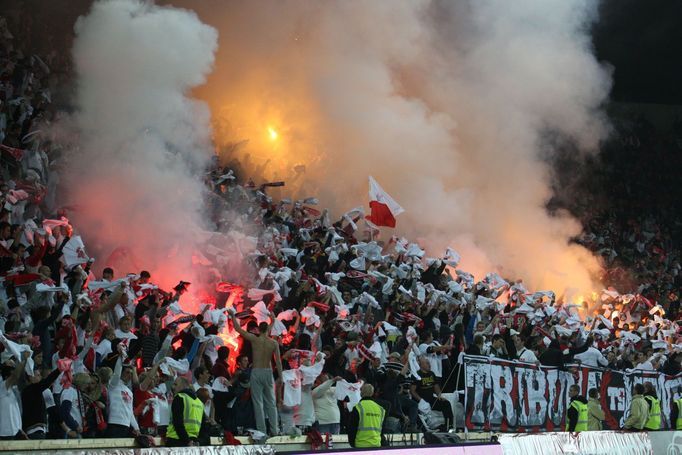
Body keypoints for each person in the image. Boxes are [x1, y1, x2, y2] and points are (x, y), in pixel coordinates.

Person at [229, 310, 282, 436]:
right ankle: (275, 430)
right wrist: (281, 376)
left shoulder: (254, 339)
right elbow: (278, 362)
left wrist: (232, 316)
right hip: (268, 372)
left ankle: (262, 431)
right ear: (268, 330)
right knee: (271, 402)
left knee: (258, 402)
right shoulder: (273, 343)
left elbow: (238, 329)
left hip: (256, 372)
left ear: (258, 329)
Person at [410, 356, 454, 430]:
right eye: (427, 363)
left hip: (430, 399)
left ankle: (449, 425)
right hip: (421, 400)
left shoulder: (432, 374)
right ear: (421, 365)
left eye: (429, 363)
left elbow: (436, 387)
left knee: (446, 403)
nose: (429, 365)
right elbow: (412, 390)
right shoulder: (417, 375)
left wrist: (439, 395)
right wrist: (420, 400)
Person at [166, 377, 205, 447]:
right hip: (193, 442)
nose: (172, 387)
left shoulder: (179, 397)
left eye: (175, 384)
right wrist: (198, 442)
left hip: (176, 440)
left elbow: (178, 423)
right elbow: (203, 426)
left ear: (183, 386)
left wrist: (187, 441)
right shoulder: (199, 402)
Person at [348, 383, 385, 448]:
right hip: (376, 445)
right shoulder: (381, 409)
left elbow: (352, 429)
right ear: (372, 393)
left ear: (361, 392)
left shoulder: (357, 408)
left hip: (361, 446)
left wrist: (353, 445)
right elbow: (382, 430)